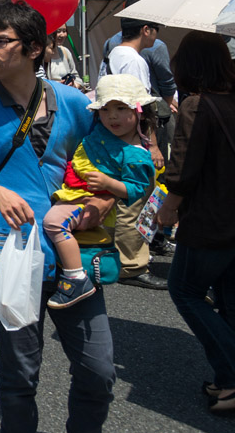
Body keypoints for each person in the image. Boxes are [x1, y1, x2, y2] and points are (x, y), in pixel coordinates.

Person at [0, 1, 112, 433]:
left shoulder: (74, 103)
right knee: (20, 374)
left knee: (99, 370)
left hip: (75, 256)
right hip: (9, 255)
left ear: (35, 48)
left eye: (0, 42)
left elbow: (103, 162)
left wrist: (100, 200)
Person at [156, 31, 235, 414]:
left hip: (208, 219)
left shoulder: (196, 106)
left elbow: (183, 171)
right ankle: (226, 380)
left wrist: (168, 209)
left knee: (185, 290)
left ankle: (232, 375)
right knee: (228, 300)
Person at [42, 74, 155, 310]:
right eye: (105, 109)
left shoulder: (135, 154)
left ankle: (75, 279)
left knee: (53, 223)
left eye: (121, 108)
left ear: (138, 109)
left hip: (85, 198)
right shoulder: (103, 130)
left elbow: (136, 190)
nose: (111, 116)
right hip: (73, 191)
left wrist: (108, 183)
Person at [100, 17, 167, 290]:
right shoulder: (135, 60)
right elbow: (142, 106)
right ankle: (132, 265)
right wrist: (152, 144)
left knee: (124, 201)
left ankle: (122, 258)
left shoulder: (114, 51)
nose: (155, 39)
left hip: (115, 139)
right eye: (155, 31)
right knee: (136, 202)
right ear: (146, 29)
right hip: (133, 140)